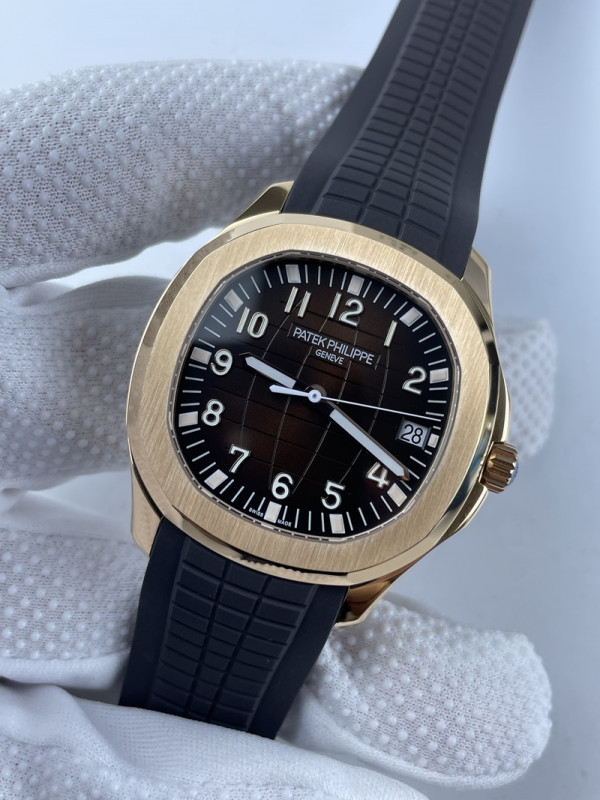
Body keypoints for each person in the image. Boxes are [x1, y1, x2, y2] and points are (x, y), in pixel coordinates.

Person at [0, 59, 554, 799]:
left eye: (341, 394)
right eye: (308, 386)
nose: (319, 397)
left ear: (487, 464)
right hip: (202, 511)